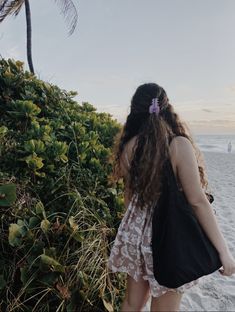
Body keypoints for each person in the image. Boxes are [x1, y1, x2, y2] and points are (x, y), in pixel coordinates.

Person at [107, 83, 235, 312]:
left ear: (135, 110)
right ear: (167, 108)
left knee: (131, 303)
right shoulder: (178, 145)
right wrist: (224, 252)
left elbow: (129, 201)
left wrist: (137, 231)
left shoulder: (129, 147)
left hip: (136, 236)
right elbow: (197, 201)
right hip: (169, 237)